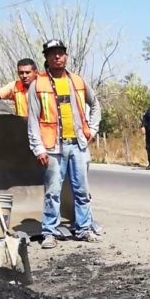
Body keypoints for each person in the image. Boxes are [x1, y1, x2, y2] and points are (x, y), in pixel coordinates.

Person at [27, 39, 102, 249]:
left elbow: (95, 105)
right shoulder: (37, 85)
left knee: (82, 190)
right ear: (46, 58)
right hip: (53, 147)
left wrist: (93, 129)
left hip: (77, 145)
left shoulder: (78, 81)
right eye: (52, 54)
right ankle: (49, 232)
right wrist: (38, 148)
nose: (57, 57)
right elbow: (33, 120)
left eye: (60, 53)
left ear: (66, 56)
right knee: (53, 191)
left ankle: (84, 228)